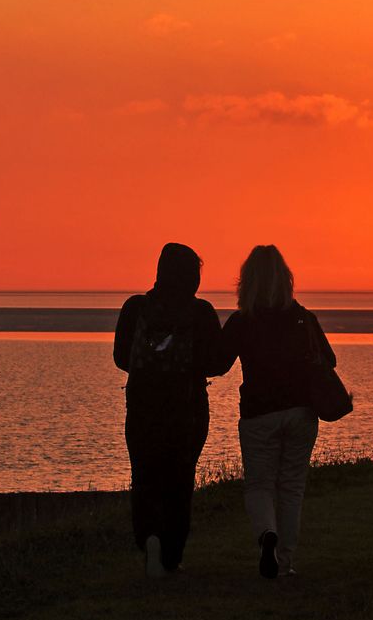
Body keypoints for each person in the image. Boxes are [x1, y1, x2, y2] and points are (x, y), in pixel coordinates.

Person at [212, 244, 335, 578]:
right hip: (300, 412)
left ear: (246, 282)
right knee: (291, 486)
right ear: (286, 280)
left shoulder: (243, 321)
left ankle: (267, 534)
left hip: (258, 413)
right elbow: (330, 361)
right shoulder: (303, 318)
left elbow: (218, 363)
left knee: (259, 485)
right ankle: (285, 561)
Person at [113, 243, 221, 577]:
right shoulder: (201, 312)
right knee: (179, 480)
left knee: (145, 477)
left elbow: (120, 357)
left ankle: (149, 541)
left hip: (143, 407)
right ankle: (172, 556)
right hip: (187, 407)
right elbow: (216, 363)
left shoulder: (136, 307)